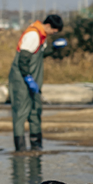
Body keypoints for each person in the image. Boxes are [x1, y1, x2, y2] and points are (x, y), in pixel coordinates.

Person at [9, 14, 66, 151]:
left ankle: (36, 147)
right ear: (48, 25)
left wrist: (54, 48)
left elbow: (39, 54)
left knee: (35, 111)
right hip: (22, 80)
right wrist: (28, 78)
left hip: (34, 81)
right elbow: (23, 59)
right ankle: (21, 150)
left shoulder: (42, 36)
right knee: (21, 112)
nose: (54, 33)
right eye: (54, 31)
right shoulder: (33, 34)